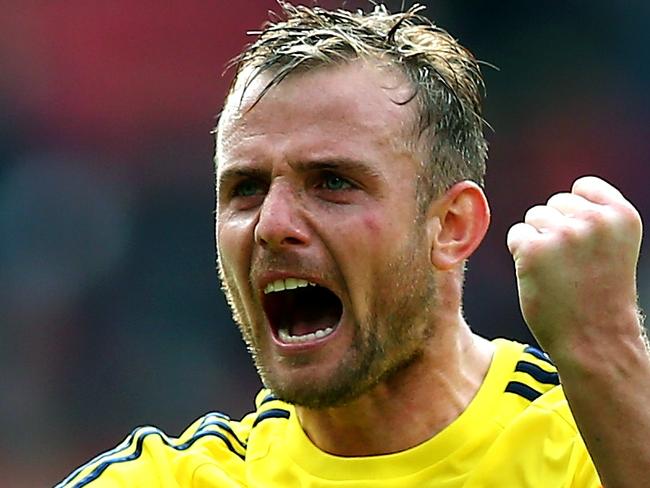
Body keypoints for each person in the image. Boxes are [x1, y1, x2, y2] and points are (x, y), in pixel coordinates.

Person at [57, 3, 650, 487]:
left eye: (333, 183)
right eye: (245, 188)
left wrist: (604, 346)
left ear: (451, 227)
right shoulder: (172, 479)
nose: (272, 224)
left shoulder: (586, 440)